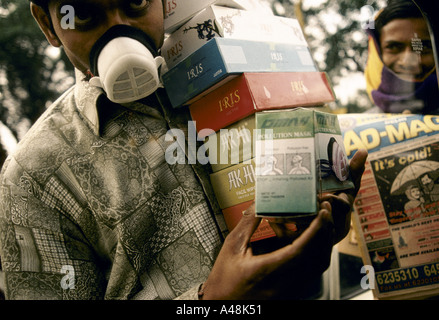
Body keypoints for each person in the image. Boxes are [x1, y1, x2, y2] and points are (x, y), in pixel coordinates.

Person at [0, 0, 367, 300]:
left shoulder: (237, 78)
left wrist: (309, 227)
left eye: (136, 3)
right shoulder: (32, 175)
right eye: (83, 14)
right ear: (48, 24)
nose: (119, 29)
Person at [364, 0, 439, 114]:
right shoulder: (356, 128)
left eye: (423, 47)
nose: (409, 62)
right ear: (377, 53)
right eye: (394, 47)